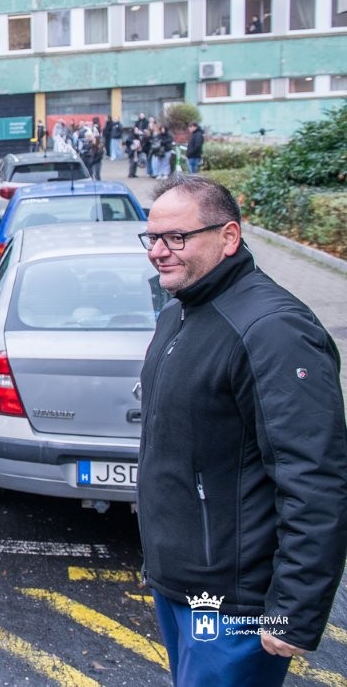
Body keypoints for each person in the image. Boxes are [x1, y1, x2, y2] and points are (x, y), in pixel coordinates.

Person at [137, 175, 347, 685]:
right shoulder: (182, 310)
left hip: (236, 602)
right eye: (153, 239)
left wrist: (294, 610)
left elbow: (313, 477)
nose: (159, 252)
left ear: (229, 237)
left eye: (177, 238)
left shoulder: (273, 330)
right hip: (182, 582)